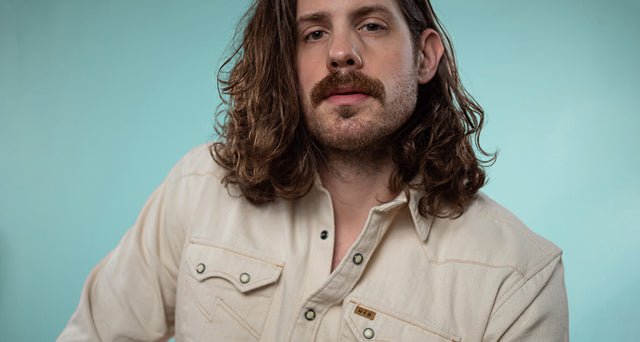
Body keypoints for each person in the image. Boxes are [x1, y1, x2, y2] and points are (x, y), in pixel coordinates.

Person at [59, 0, 569, 340]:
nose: (341, 53)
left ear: (425, 57)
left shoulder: (518, 277)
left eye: (371, 24)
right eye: (314, 32)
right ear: (285, 60)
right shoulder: (199, 191)